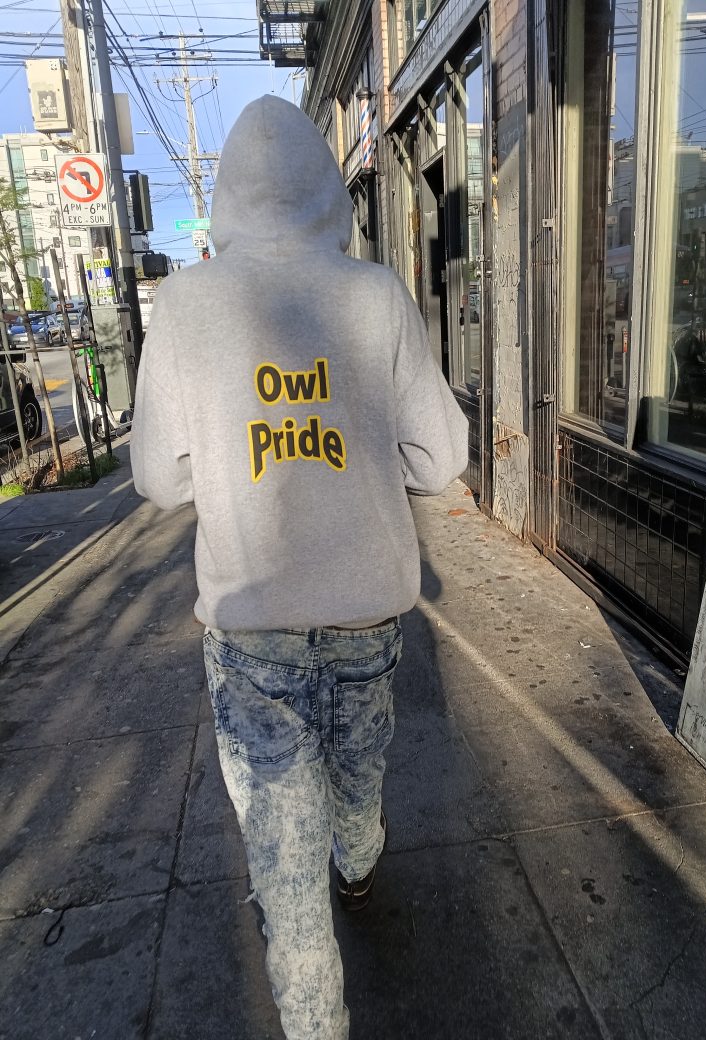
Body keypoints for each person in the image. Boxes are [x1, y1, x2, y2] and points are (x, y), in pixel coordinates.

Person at [131, 95, 468, 1040]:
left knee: (285, 880)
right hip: (367, 619)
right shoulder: (377, 294)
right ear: (329, 191)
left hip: (251, 636)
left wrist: (226, 458)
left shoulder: (184, 306)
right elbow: (442, 457)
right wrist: (364, 458)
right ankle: (359, 863)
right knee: (359, 783)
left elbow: (158, 478)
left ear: (228, 199)